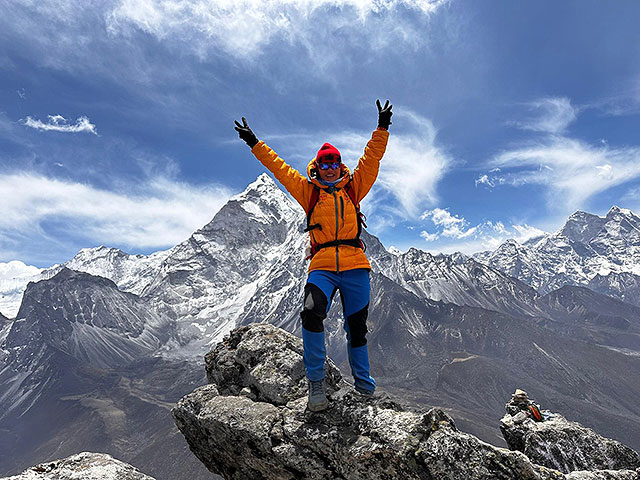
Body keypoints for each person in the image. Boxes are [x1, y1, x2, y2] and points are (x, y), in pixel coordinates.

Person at [234, 99, 392, 411]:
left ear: (341, 166)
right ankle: (316, 386)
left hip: (356, 264)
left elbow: (371, 160)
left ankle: (364, 386)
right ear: (317, 166)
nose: (331, 167)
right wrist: (255, 143)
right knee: (311, 315)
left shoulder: (354, 187)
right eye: (325, 163)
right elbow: (280, 169)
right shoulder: (309, 191)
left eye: (335, 162)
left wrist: (382, 127)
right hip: (321, 264)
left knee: (356, 327)